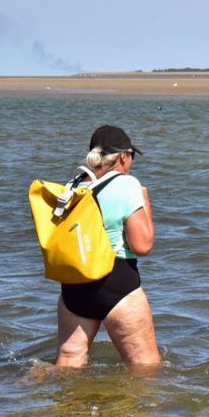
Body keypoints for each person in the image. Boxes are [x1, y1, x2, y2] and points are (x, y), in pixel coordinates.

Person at [56, 125, 160, 370]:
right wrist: (145, 202)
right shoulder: (127, 184)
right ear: (123, 156)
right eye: (132, 156)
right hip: (116, 283)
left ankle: (41, 394)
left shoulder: (73, 184)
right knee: (146, 368)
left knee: (68, 365)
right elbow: (142, 245)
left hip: (74, 286)